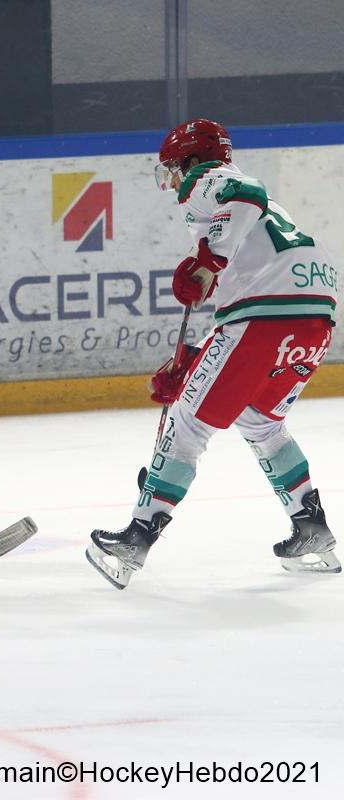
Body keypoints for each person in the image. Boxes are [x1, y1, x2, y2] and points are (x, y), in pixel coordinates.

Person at [87, 118, 340, 589]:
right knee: (260, 422)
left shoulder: (208, 178)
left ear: (190, 160)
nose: (172, 183)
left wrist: (208, 260)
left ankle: (138, 536)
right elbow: (239, 314)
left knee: (187, 422)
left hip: (266, 317)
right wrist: (191, 362)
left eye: (172, 170)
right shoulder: (264, 221)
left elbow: (246, 191)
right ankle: (312, 527)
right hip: (313, 317)